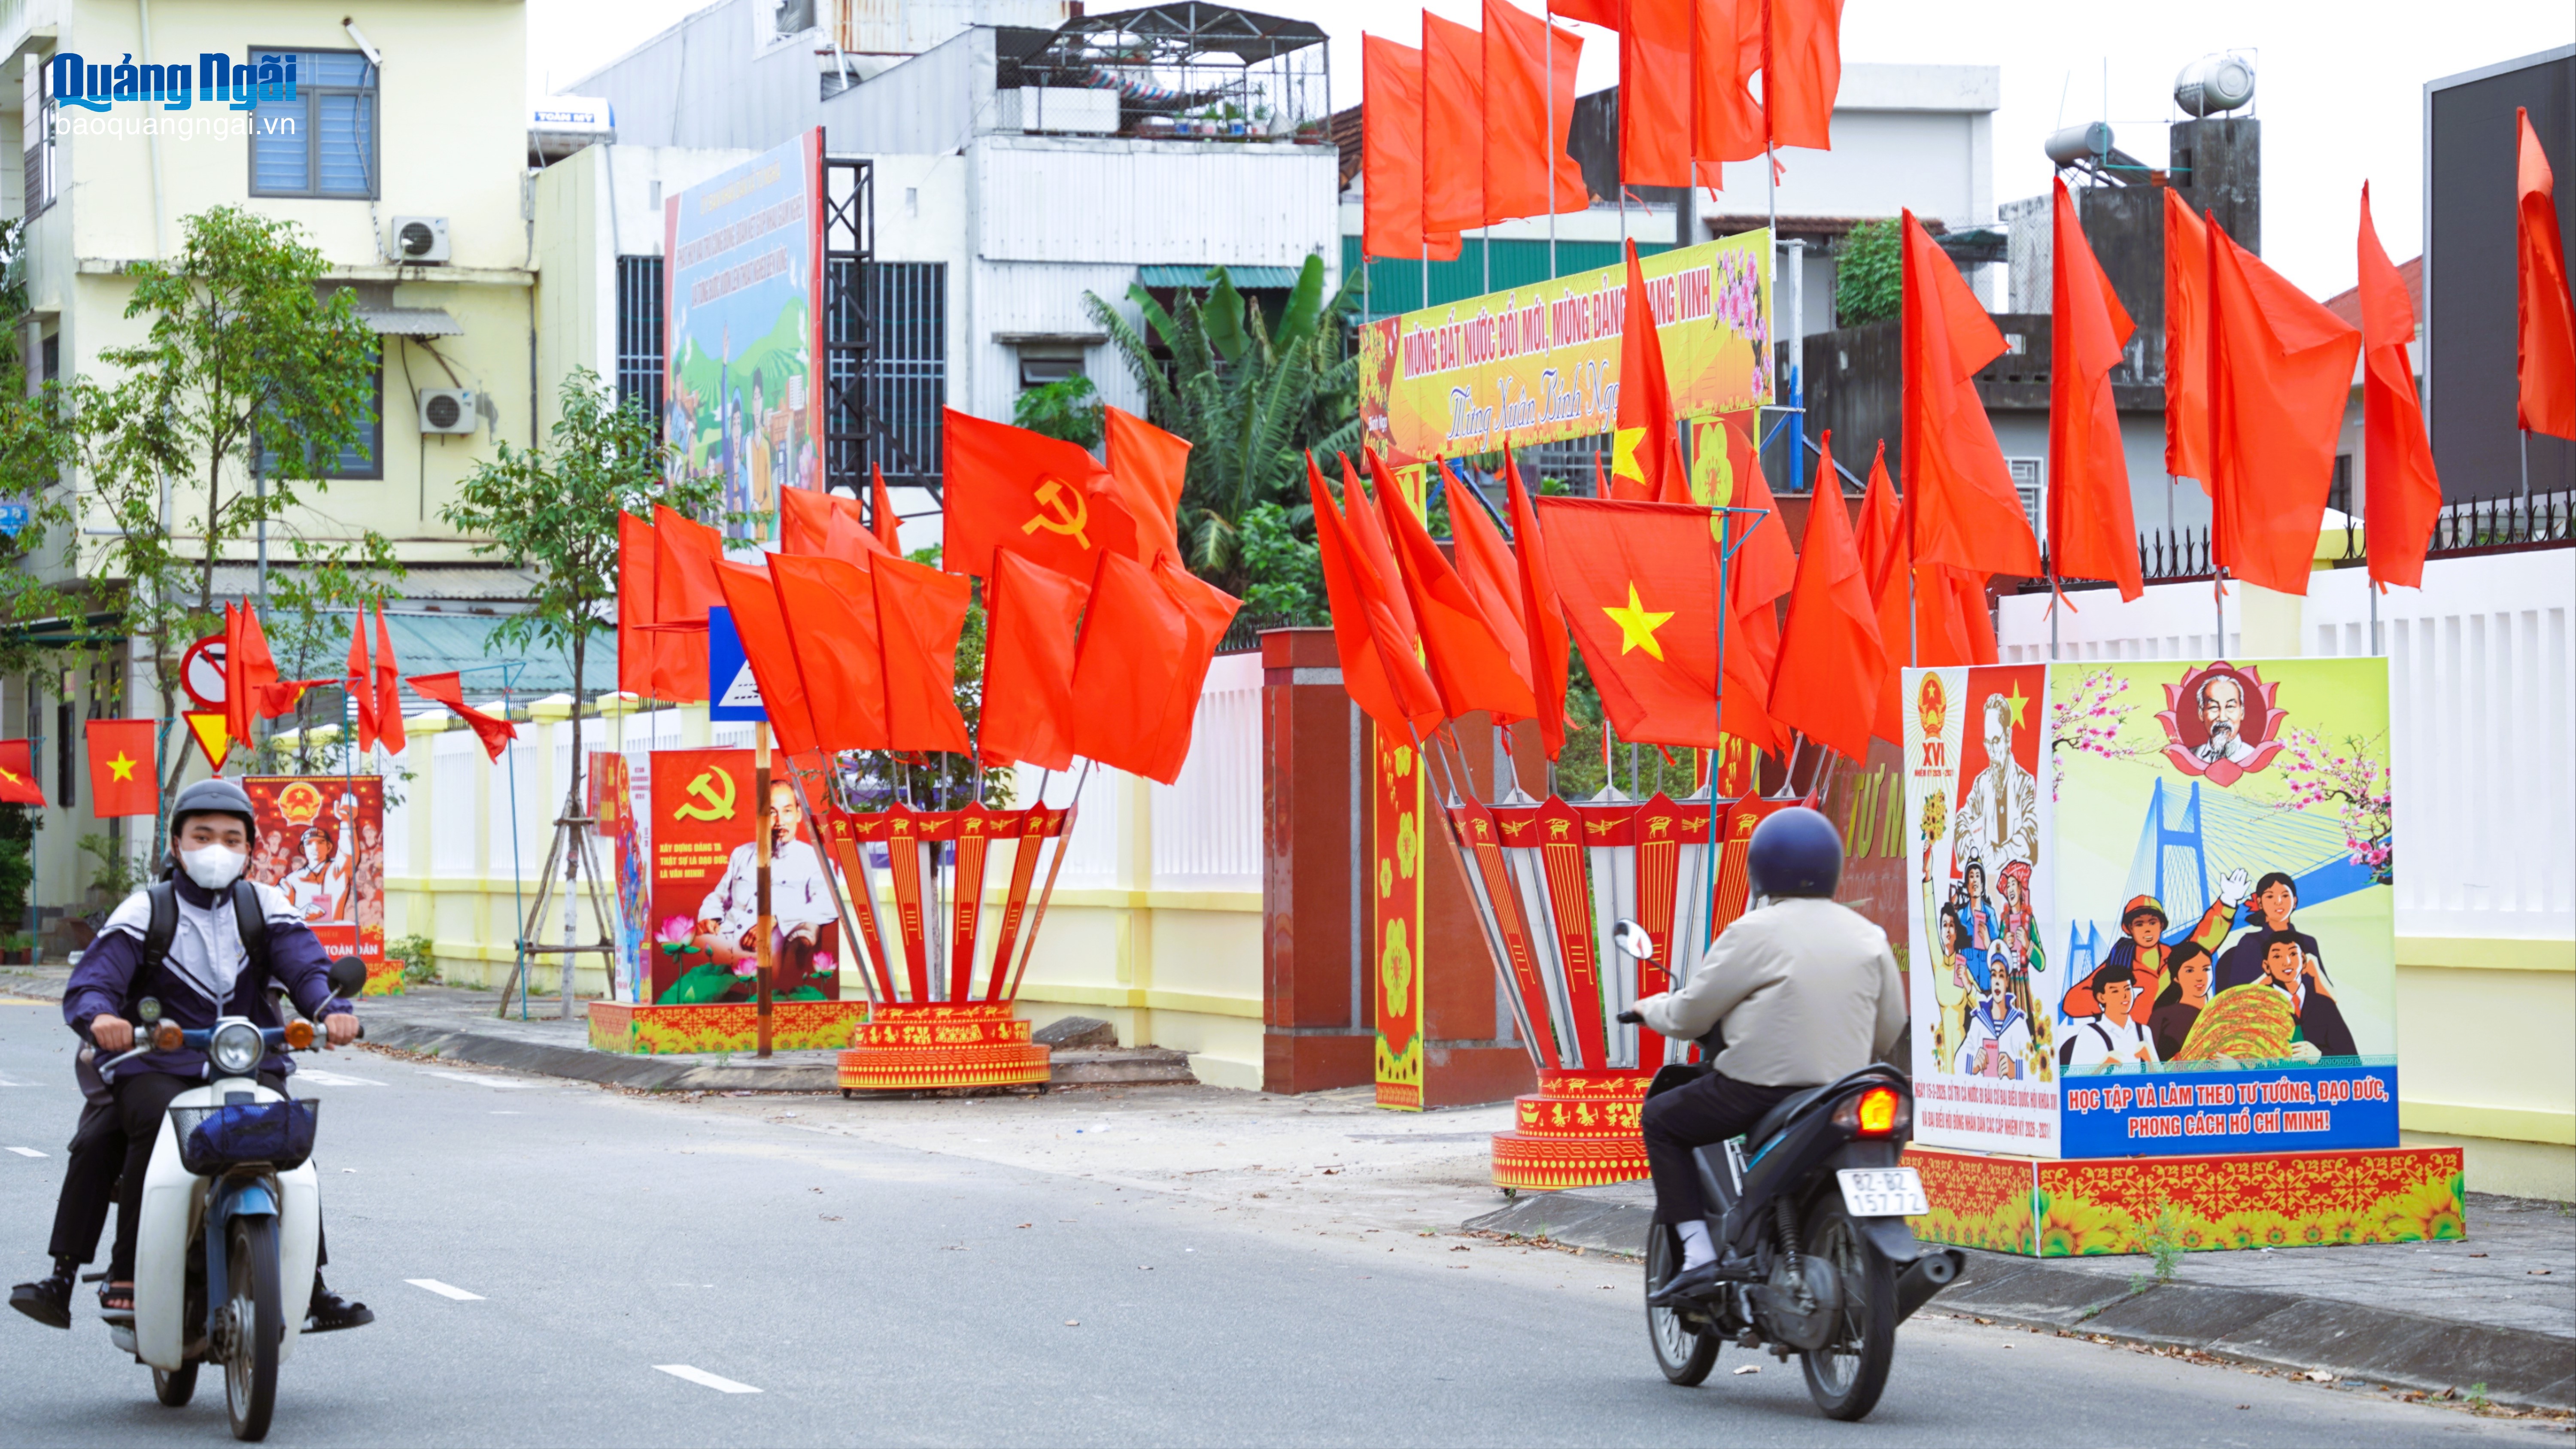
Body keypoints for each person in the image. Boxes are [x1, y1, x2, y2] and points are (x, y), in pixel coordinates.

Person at [35, 778, 373, 1332]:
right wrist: (103, 1018)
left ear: (250, 850)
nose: (217, 848)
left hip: (248, 1058)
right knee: (132, 1130)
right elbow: (94, 981)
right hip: (156, 1062)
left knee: (289, 1144)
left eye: (232, 839)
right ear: (176, 844)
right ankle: (96, 1275)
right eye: (203, 835)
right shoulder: (147, 909)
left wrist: (329, 1009)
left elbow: (308, 968)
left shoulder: (265, 906)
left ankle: (312, 1288)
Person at [1628, 808, 1905, 1306]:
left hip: (1757, 1091)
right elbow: (1889, 1028)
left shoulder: (1753, 931)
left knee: (1662, 1119)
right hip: (1844, 1092)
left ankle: (1697, 1258)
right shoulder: (1869, 935)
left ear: (1761, 869)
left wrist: (1648, 1009)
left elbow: (1692, 1014)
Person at [665, 780, 839, 1004]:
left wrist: (776, 920)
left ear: (798, 814)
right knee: (683, 995)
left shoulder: (813, 859)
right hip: (723, 949)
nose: (780, 821)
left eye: (787, 812)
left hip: (766, 957)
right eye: (772, 813)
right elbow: (719, 897)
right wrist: (709, 917)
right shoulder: (742, 854)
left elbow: (829, 905)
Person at [2251, 929, 2358, 1060]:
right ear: (2267, 967)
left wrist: (2320, 1057)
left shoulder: (2324, 1005)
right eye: (2277, 956)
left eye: (2293, 954)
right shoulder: (2257, 1007)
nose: (2287, 962)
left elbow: (2352, 1060)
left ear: (2303, 960)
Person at [2214, 872, 2326, 995]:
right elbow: (2235, 996)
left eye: (2285, 896)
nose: (2279, 902)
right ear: (2260, 903)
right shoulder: (2251, 943)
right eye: (2270, 897)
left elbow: (2325, 994)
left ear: (2294, 902)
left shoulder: (2308, 942)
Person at [2057, 962, 2158, 1072]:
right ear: (2101, 997)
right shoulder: (2089, 1033)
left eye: (2128, 989)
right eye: (2115, 991)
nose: (2124, 996)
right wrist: (2102, 1065)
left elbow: (2163, 1082)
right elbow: (2074, 1082)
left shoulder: (2144, 1032)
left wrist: (2150, 1059)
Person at [1952, 966, 2032, 1079]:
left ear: (2007, 981)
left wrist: (2015, 1069)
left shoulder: (2019, 1024)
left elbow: (2036, 1068)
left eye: (2001, 976)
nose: (1997, 981)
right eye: (1994, 975)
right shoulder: (1979, 1022)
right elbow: (1958, 1062)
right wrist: (1973, 1065)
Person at [2150, 954, 2214, 1063]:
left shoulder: (2222, 1013)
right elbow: (2147, 1064)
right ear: (2176, 977)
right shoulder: (2162, 1016)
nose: (2200, 978)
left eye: (2206, 969)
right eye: (2190, 971)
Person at [2194, 673, 2259, 766]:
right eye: (2214, 707)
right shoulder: (2192, 756)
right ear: (2201, 713)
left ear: (2242, 712)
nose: (2222, 718)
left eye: (2230, 707)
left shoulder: (2254, 757)